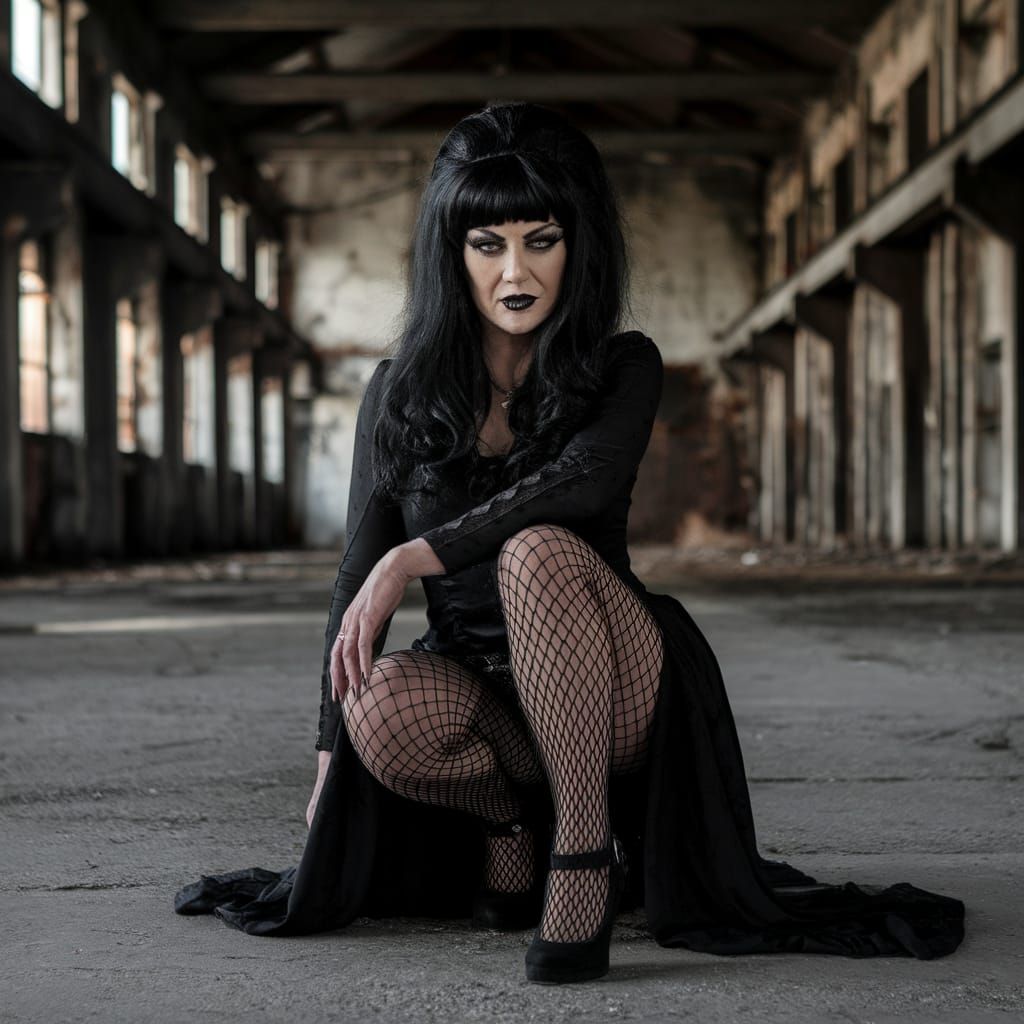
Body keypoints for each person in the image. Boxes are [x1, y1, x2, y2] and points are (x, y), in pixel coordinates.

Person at [175, 101, 965, 984]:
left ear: (577, 244)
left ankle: (583, 853)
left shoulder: (624, 364)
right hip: (481, 689)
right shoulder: (400, 390)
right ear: (453, 253)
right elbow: (356, 579)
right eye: (487, 245)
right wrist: (326, 764)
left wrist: (418, 555)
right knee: (380, 707)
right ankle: (514, 824)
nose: (516, 271)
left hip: (619, 677)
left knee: (537, 549)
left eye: (540, 239)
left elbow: (578, 484)